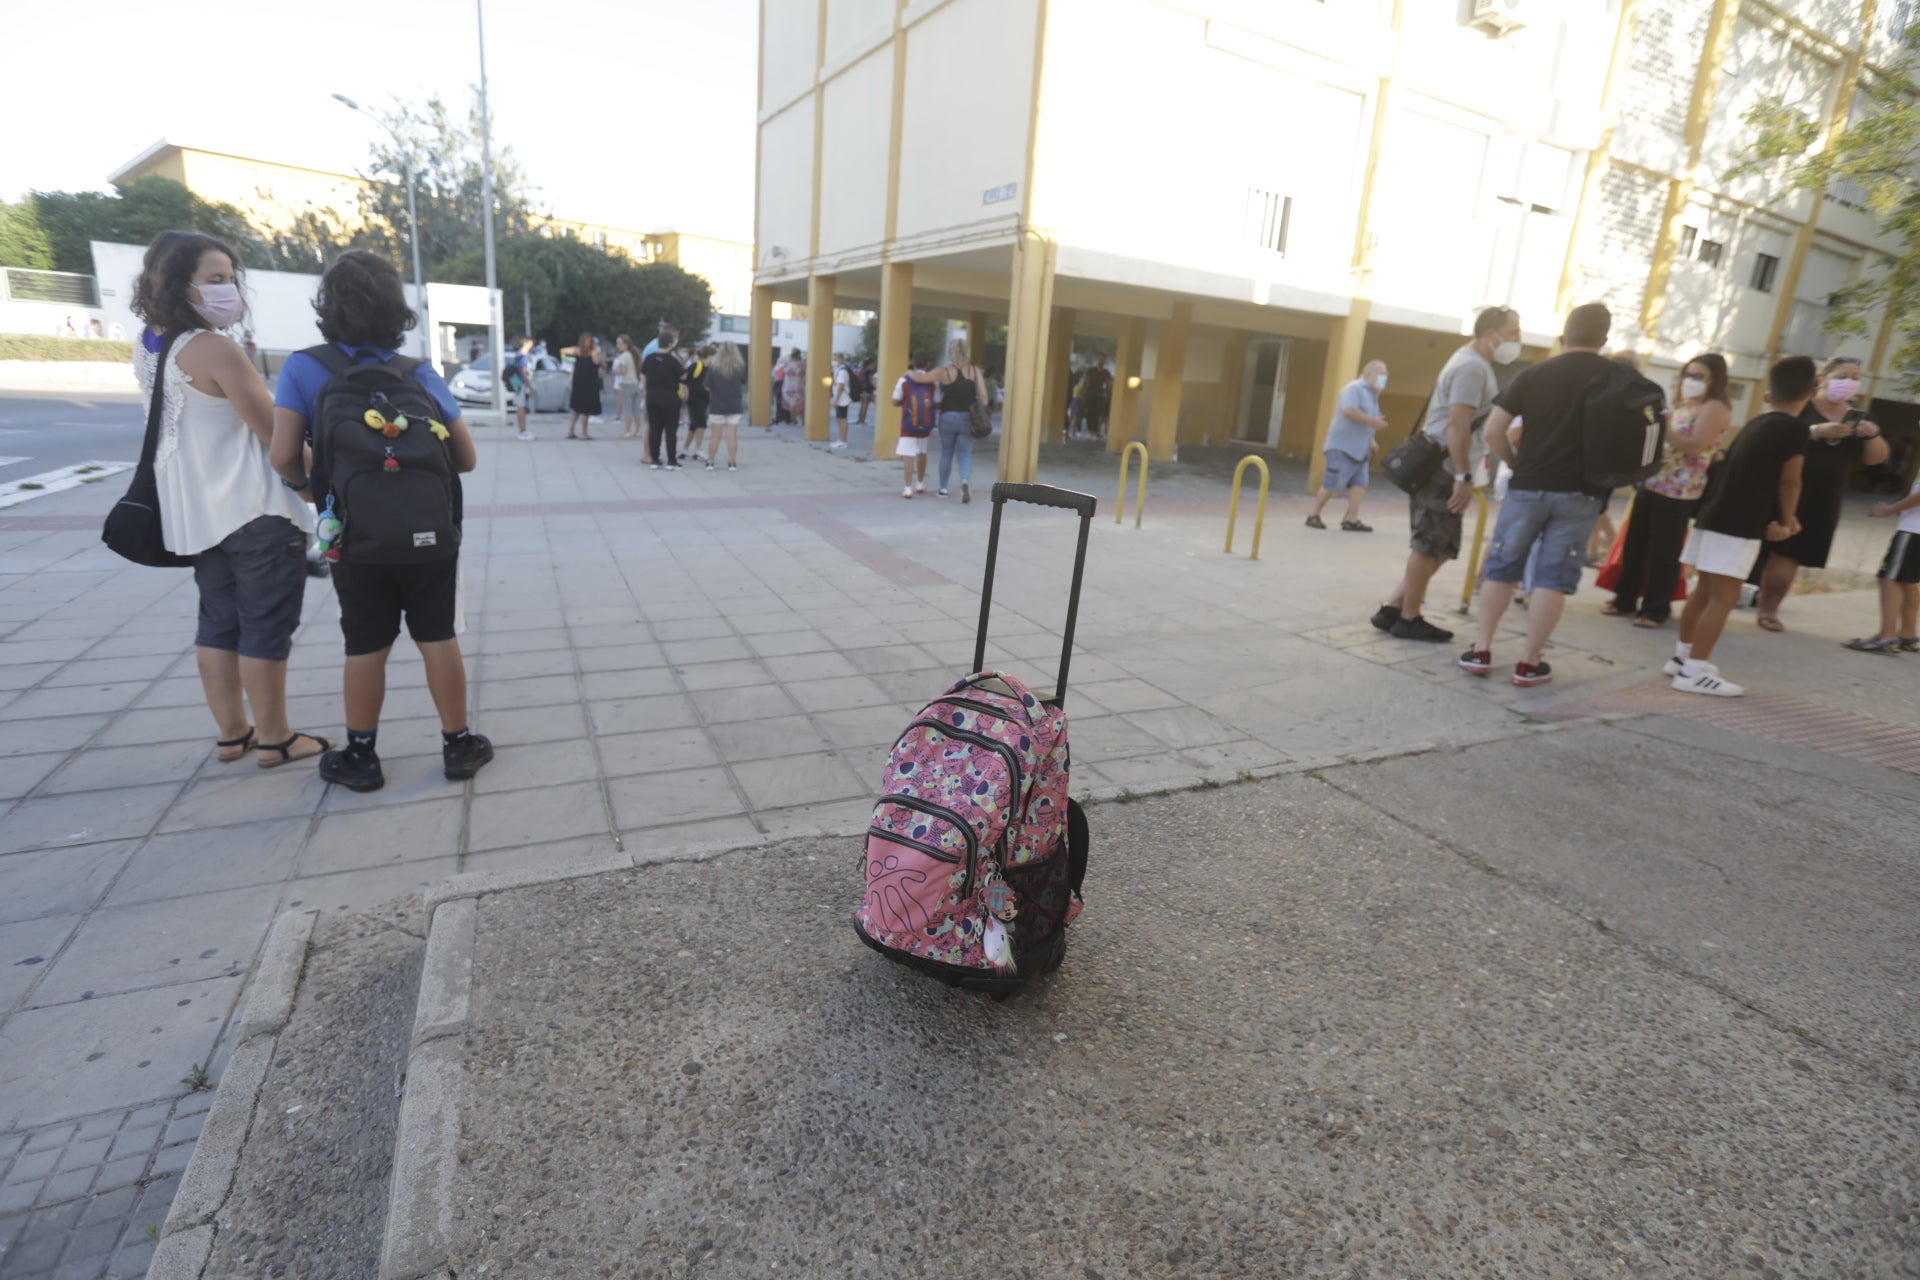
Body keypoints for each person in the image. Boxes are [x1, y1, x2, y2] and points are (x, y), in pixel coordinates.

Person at [268, 249, 490, 789]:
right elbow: (466, 459)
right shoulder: (417, 372)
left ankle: (361, 756)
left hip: (354, 534)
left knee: (365, 642)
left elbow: (281, 454)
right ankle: (458, 745)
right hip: (429, 534)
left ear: (329, 305)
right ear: (398, 310)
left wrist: (313, 494)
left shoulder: (304, 367)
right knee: (437, 635)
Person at [130, 230, 325, 770]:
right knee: (265, 626)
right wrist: (321, 493)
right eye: (213, 280)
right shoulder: (216, 349)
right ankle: (277, 738)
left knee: (217, 623)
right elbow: (277, 439)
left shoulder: (151, 343)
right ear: (177, 285)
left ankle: (233, 733)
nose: (228, 289)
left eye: (230, 278)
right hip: (253, 511)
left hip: (195, 515)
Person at [1460, 303, 1617, 686]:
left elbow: (1496, 431)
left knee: (1502, 567)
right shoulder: (1618, 378)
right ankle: (1530, 663)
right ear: (1605, 339)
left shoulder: (1536, 374)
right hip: (1582, 493)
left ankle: (1481, 649)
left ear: (1564, 335)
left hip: (1528, 486)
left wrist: (1518, 465)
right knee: (1551, 578)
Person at [1665, 356, 1813, 696]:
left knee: (1704, 591)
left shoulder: (1756, 423)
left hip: (1714, 515)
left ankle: (1683, 657)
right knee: (1723, 597)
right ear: (1812, 390)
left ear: (1769, 393)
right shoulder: (1794, 430)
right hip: (1738, 524)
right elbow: (1790, 482)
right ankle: (1694, 672)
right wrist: (1788, 521)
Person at [1374, 305, 1521, 643]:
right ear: (1490, 334)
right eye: (1513, 334)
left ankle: (1395, 607)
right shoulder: (1472, 367)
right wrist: (1462, 476)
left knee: (1442, 545)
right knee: (1428, 545)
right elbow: (1457, 424)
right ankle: (1409, 617)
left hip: (1444, 466)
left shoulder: (1472, 361)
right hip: (1444, 468)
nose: (1517, 341)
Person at [1749, 355, 1890, 631]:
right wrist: (1814, 432)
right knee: (1767, 547)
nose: (1848, 382)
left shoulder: (1860, 416)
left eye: (1855, 378)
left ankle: (1769, 608)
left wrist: (1872, 435)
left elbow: (1876, 459)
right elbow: (1774, 432)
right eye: (1842, 376)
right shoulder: (1802, 406)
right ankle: (1749, 600)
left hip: (1823, 497)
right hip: (1783, 487)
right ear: (1823, 379)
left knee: (1791, 553)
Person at [1605, 353, 1732, 626]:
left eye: (1699, 377)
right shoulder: (1681, 404)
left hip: (1680, 490)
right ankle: (1624, 598)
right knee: (1635, 544)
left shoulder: (1715, 407)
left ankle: (1655, 608)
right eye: (1688, 374)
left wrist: (1662, 426)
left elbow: (1696, 445)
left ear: (1715, 381)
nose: (1690, 381)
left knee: (1664, 551)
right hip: (1652, 482)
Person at [905, 336, 989, 504]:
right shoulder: (974, 371)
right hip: (967, 418)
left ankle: (943, 489)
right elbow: (985, 398)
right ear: (967, 353)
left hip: (947, 417)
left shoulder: (943, 372)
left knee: (946, 453)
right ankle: (964, 482)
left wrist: (909, 372)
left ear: (951, 353)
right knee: (965, 455)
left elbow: (921, 378)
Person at [1308, 359, 1388, 532]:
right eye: (1382, 375)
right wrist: (1373, 422)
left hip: (1360, 449)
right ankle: (1313, 514)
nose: (1384, 379)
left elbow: (1369, 423)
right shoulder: (1353, 389)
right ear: (1368, 374)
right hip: (1342, 446)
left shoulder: (1374, 395)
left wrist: (1372, 440)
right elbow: (1349, 411)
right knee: (1333, 483)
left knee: (1360, 483)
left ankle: (1352, 519)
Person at [1845, 475, 1920, 653]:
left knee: (1889, 578)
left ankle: (1887, 636)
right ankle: (1907, 636)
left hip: (1914, 529)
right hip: (1915, 529)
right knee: (1906, 580)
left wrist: (1890, 510)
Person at [641, 326, 687, 470]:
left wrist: (646, 390)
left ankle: (654, 459)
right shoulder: (672, 360)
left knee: (655, 429)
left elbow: (643, 376)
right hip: (670, 397)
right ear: (670, 344)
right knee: (670, 430)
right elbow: (683, 376)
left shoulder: (649, 359)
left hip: (652, 396)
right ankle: (671, 461)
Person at [894, 348, 937, 497]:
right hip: (925, 423)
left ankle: (907, 488)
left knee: (909, 456)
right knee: (922, 453)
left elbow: (895, 401)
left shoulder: (904, 380)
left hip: (908, 423)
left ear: (912, 363)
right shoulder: (931, 382)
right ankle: (920, 484)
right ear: (928, 364)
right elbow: (935, 401)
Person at [705, 341, 747, 471]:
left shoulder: (714, 367)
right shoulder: (739, 367)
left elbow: (707, 387)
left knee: (715, 435)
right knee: (732, 434)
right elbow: (743, 381)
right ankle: (732, 463)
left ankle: (711, 462)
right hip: (734, 405)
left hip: (717, 404)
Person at [566, 333, 603, 440]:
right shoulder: (594, 353)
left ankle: (571, 430)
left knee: (577, 408)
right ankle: (584, 433)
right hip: (589, 383)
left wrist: (570, 361)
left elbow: (563, 351)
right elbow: (602, 364)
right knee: (585, 409)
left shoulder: (576, 351)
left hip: (578, 382)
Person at [612, 334, 643, 441]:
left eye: (619, 343)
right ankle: (638, 431)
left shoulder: (624, 356)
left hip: (627, 384)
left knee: (627, 409)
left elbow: (623, 370)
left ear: (626, 344)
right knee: (637, 410)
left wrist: (616, 371)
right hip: (636, 384)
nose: (617, 346)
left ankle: (627, 431)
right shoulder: (634, 354)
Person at [684, 345, 712, 460]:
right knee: (701, 423)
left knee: (694, 425)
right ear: (709, 356)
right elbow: (683, 378)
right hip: (694, 399)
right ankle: (698, 449)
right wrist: (685, 391)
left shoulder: (709, 368)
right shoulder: (696, 366)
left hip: (703, 400)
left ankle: (684, 449)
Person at [509, 335, 536, 442]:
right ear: (526, 343)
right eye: (530, 343)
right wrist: (530, 387)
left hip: (516, 384)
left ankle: (522, 430)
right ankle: (522, 431)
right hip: (521, 384)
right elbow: (524, 373)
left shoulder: (517, 355)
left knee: (520, 406)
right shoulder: (522, 356)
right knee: (521, 407)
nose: (532, 345)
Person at [1081, 356, 1112, 440]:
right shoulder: (1091, 370)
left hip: (1099, 395)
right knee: (1089, 413)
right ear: (1097, 359)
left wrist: (1106, 394)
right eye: (1099, 359)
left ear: (1104, 361)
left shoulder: (1106, 372)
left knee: (1097, 414)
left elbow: (1108, 384)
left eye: (1102, 359)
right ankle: (1089, 431)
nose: (1101, 360)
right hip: (1090, 394)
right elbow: (1086, 381)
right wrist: (1083, 393)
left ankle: (1095, 432)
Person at [830, 354, 853, 449]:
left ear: (840, 359)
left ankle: (843, 440)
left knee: (843, 420)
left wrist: (836, 399)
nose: (833, 360)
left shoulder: (843, 371)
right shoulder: (838, 370)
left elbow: (841, 386)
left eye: (835, 358)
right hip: (840, 398)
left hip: (842, 399)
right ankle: (841, 439)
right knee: (839, 419)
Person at [780, 348, 807, 427]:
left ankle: (793, 421)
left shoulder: (786, 364)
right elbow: (806, 374)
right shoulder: (802, 364)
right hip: (799, 386)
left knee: (792, 404)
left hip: (788, 386)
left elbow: (782, 374)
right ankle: (803, 421)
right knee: (802, 405)